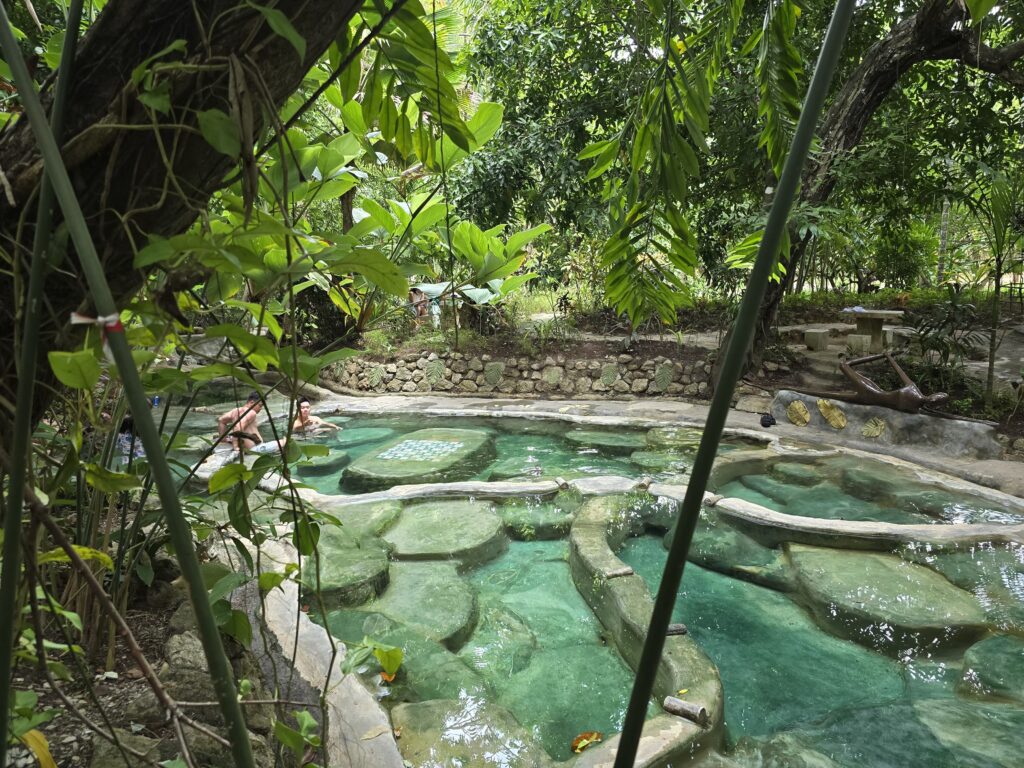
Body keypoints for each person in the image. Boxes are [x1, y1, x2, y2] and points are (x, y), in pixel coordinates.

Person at [808, 352, 949, 414]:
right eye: (939, 395)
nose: (936, 397)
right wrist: (888, 357)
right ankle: (785, 387)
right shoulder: (915, 400)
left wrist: (886, 356)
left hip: (869, 395)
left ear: (935, 401)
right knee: (830, 391)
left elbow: (900, 373)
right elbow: (900, 372)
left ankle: (786, 387)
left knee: (843, 366)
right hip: (875, 391)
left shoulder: (915, 400)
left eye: (939, 398)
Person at [217, 391, 285, 452]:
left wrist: (223, 439)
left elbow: (221, 420)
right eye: (260, 405)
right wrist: (235, 446)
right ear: (251, 402)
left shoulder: (235, 411)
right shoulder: (251, 412)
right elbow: (238, 426)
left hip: (250, 447)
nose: (261, 408)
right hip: (255, 448)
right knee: (286, 441)